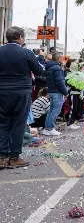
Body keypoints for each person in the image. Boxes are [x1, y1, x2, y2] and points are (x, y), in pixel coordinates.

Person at [0, 27, 45, 169]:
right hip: (21, 92)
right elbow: (39, 70)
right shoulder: (27, 53)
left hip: (2, 91)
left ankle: (1, 157)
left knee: (2, 123)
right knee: (18, 125)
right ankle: (14, 157)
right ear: (19, 37)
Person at [42, 52, 68, 136]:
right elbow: (60, 82)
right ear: (59, 59)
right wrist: (65, 92)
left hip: (51, 90)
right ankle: (51, 128)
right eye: (62, 58)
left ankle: (47, 128)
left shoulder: (49, 67)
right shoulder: (57, 68)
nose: (63, 59)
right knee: (56, 110)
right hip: (57, 92)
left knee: (51, 110)